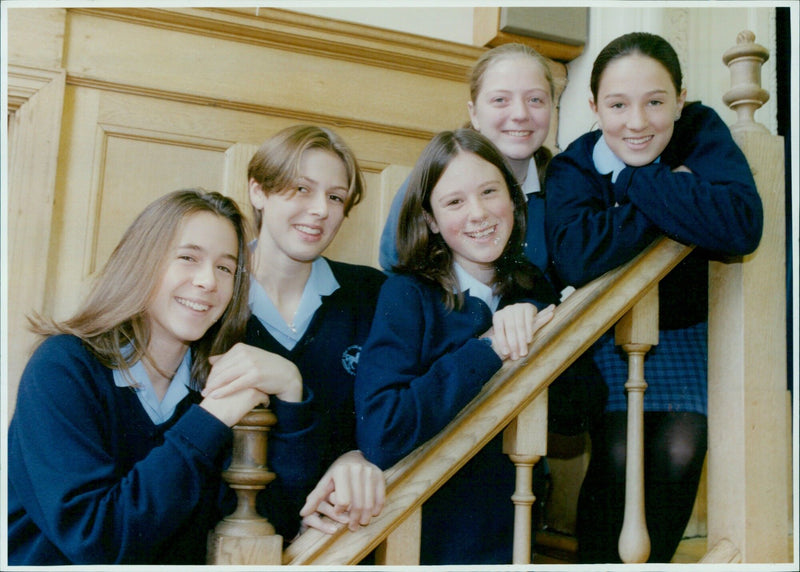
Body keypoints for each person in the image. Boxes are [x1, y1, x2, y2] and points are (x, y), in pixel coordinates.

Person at [544, 32, 763, 563]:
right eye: (618, 105)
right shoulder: (573, 166)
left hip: (686, 327)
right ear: (594, 107)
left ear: (681, 99)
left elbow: (740, 224)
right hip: (611, 334)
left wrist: (634, 184)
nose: (637, 122)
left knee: (681, 447)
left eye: (656, 102)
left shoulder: (702, 130)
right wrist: (674, 189)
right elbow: (575, 255)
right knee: (619, 454)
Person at [7, 189, 286, 564]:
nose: (208, 281)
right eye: (188, 258)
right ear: (142, 262)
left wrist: (293, 390)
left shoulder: (217, 381)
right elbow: (98, 539)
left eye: (225, 267)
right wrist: (210, 419)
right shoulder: (63, 367)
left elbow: (272, 520)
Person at [355, 129, 557, 564]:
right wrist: (488, 348)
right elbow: (381, 431)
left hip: (515, 525)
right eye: (454, 202)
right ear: (430, 219)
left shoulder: (532, 285)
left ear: (513, 199)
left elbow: (581, 412)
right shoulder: (406, 294)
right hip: (429, 534)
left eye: (490, 192)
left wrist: (537, 324)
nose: (479, 213)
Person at [201, 125, 387, 542]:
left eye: (336, 197)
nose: (321, 209)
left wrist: (359, 455)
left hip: (339, 540)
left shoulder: (372, 295)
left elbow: (396, 413)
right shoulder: (209, 297)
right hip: (227, 541)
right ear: (258, 192)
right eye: (302, 189)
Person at [379, 42, 556, 276]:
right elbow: (396, 263)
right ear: (474, 113)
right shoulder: (435, 179)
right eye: (500, 100)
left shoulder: (563, 185)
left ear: (551, 108)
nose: (521, 114)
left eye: (535, 100)